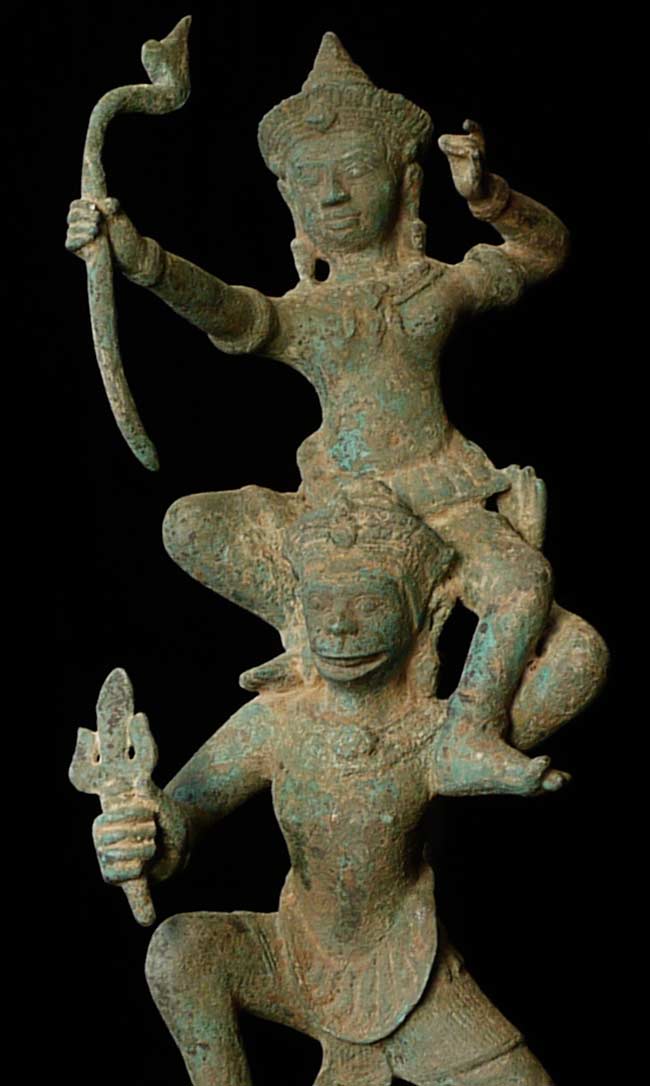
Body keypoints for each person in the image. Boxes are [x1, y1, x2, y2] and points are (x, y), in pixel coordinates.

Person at [66, 32, 606, 797]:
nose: (333, 196)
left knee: (527, 592)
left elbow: (541, 252)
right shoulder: (308, 314)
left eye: (354, 170)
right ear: (291, 202)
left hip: (441, 500)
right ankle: (306, 633)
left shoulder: (437, 288)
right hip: (333, 516)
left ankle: (463, 733)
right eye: (311, 181)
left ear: (405, 182)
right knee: (186, 524)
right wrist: (141, 259)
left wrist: (491, 198)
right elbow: (228, 310)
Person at [92, 489, 564, 1086]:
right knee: (179, 951)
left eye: (369, 603)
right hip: (292, 957)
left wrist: (504, 552)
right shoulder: (276, 720)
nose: (340, 626)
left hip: (410, 974)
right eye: (321, 603)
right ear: (301, 610)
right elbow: (178, 822)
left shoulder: (441, 733)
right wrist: (135, 837)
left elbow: (581, 657)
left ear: (421, 613)